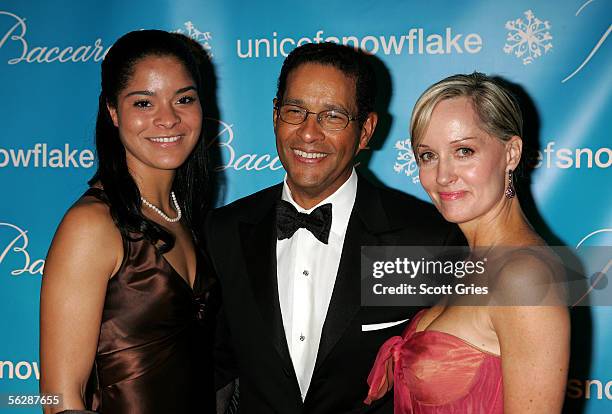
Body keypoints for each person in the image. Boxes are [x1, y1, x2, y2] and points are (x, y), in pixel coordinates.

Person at [205, 42, 462, 413]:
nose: (308, 133)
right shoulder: (225, 230)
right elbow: (220, 372)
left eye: (333, 116)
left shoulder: (427, 237)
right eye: (295, 111)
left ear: (366, 130)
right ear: (275, 115)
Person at [365, 73, 570, 412]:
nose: (443, 175)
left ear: (512, 153)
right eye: (428, 155)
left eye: (464, 151)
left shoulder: (524, 276)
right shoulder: (470, 261)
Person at [40, 30, 215, 414]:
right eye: (143, 103)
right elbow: (58, 398)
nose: (168, 119)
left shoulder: (189, 217)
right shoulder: (92, 225)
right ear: (113, 112)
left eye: (183, 99)